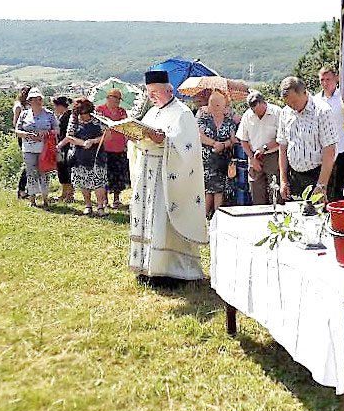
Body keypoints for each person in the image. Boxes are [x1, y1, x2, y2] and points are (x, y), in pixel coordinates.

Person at [128, 70, 207, 282]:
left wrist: (163, 139)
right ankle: (145, 267)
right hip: (147, 174)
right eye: (149, 92)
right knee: (147, 217)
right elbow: (142, 137)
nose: (152, 96)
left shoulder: (182, 113)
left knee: (162, 218)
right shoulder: (151, 113)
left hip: (166, 176)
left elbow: (188, 148)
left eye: (155, 92)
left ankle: (172, 271)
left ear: (168, 89)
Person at [277, 76, 338, 201]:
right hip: (294, 176)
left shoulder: (322, 111)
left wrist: (321, 185)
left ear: (304, 93)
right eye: (288, 104)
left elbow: (330, 150)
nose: (292, 107)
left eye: (294, 102)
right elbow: (283, 147)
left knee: (318, 217)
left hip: (318, 175)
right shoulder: (285, 113)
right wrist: (283, 180)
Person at [237, 90, 283, 205]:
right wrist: (252, 159)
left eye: (258, 110)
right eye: (253, 111)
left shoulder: (277, 112)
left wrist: (265, 148)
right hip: (254, 156)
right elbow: (243, 139)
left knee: (275, 190)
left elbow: (282, 138)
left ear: (264, 103)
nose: (256, 114)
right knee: (256, 191)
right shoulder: (247, 115)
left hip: (273, 155)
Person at [197, 89, 238, 218]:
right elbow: (198, 135)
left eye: (218, 105)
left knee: (219, 189)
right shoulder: (204, 119)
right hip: (207, 161)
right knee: (208, 190)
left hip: (223, 161)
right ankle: (205, 218)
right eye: (213, 105)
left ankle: (216, 218)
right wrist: (214, 144)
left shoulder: (229, 121)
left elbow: (233, 139)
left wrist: (224, 145)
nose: (215, 108)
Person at [65, 98, 109, 216]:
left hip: (97, 156)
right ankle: (88, 205)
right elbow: (69, 136)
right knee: (84, 181)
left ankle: (100, 207)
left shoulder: (98, 118)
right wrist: (83, 143)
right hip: (80, 156)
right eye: (81, 113)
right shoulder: (73, 119)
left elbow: (107, 135)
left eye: (86, 113)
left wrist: (93, 141)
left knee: (98, 181)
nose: (84, 116)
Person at [14, 88, 57, 208]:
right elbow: (17, 131)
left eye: (40, 99)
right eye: (36, 99)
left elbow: (57, 130)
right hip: (28, 148)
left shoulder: (49, 114)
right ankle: (32, 200)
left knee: (43, 173)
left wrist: (46, 132)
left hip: (45, 149)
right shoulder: (24, 114)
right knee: (31, 173)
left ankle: (45, 199)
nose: (39, 101)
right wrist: (27, 135)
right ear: (30, 101)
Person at [313, 66, 344, 200]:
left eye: (328, 79)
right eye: (322, 80)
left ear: (336, 79)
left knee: (339, 188)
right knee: (323, 187)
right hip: (322, 151)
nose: (325, 83)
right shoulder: (315, 100)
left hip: (340, 148)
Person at [95, 89, 130, 209]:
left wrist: (126, 143)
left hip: (119, 146)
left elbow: (126, 127)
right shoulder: (100, 110)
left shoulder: (122, 111)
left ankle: (116, 199)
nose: (118, 101)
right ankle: (105, 200)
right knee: (105, 173)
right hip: (105, 146)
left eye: (119, 99)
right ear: (109, 97)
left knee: (118, 173)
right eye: (116, 98)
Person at [52, 96, 74, 202]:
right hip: (62, 146)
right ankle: (64, 193)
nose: (54, 108)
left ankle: (69, 195)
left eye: (55, 106)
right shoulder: (64, 116)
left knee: (66, 170)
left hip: (66, 146)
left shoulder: (68, 116)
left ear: (60, 106)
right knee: (62, 171)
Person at [12, 85, 31, 199]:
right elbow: (16, 124)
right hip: (23, 136)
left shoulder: (26, 106)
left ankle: (28, 188)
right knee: (28, 163)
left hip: (30, 136)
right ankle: (21, 189)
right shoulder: (19, 106)